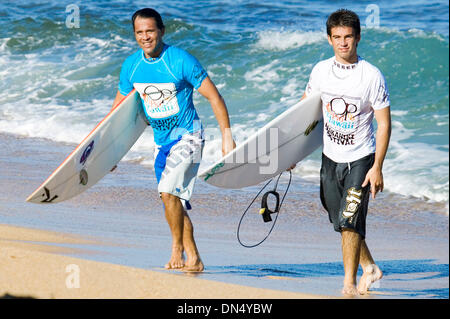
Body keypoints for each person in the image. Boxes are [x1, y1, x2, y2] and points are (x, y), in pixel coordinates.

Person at [112, 8, 235, 272]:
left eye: (150, 31)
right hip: (161, 143)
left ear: (162, 31)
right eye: (140, 32)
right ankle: (195, 258)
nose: (145, 37)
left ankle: (175, 248)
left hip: (188, 136)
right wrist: (109, 153)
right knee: (173, 200)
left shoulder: (180, 60)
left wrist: (227, 137)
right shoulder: (131, 66)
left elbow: (215, 97)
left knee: (168, 192)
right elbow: (118, 111)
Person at [291, 9, 391, 295]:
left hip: (361, 158)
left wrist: (377, 167)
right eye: (337, 37)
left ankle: (348, 282)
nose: (343, 43)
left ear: (358, 37)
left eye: (348, 37)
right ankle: (370, 267)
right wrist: (292, 153)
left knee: (350, 220)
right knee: (338, 219)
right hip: (330, 156)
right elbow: (305, 112)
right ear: (329, 39)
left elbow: (383, 124)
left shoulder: (371, 76)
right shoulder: (321, 71)